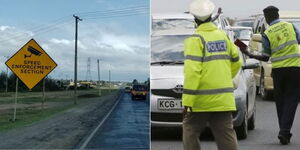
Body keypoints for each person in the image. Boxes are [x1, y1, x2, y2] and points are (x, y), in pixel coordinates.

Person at [182, 0, 242, 150]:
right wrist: (225, 79)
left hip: (201, 101)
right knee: (226, 134)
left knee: (190, 130)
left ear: (194, 19)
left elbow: (192, 73)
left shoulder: (196, 39)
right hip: (223, 99)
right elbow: (237, 62)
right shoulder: (224, 37)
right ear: (211, 16)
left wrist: (187, 102)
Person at [239, 6, 300, 145]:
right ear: (278, 15)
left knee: (280, 101)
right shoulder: (290, 26)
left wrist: (248, 53)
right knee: (292, 99)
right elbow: (299, 39)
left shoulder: (268, 33)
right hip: (295, 68)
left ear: (266, 18)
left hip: (278, 70)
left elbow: (266, 57)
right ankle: (284, 131)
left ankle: (283, 131)